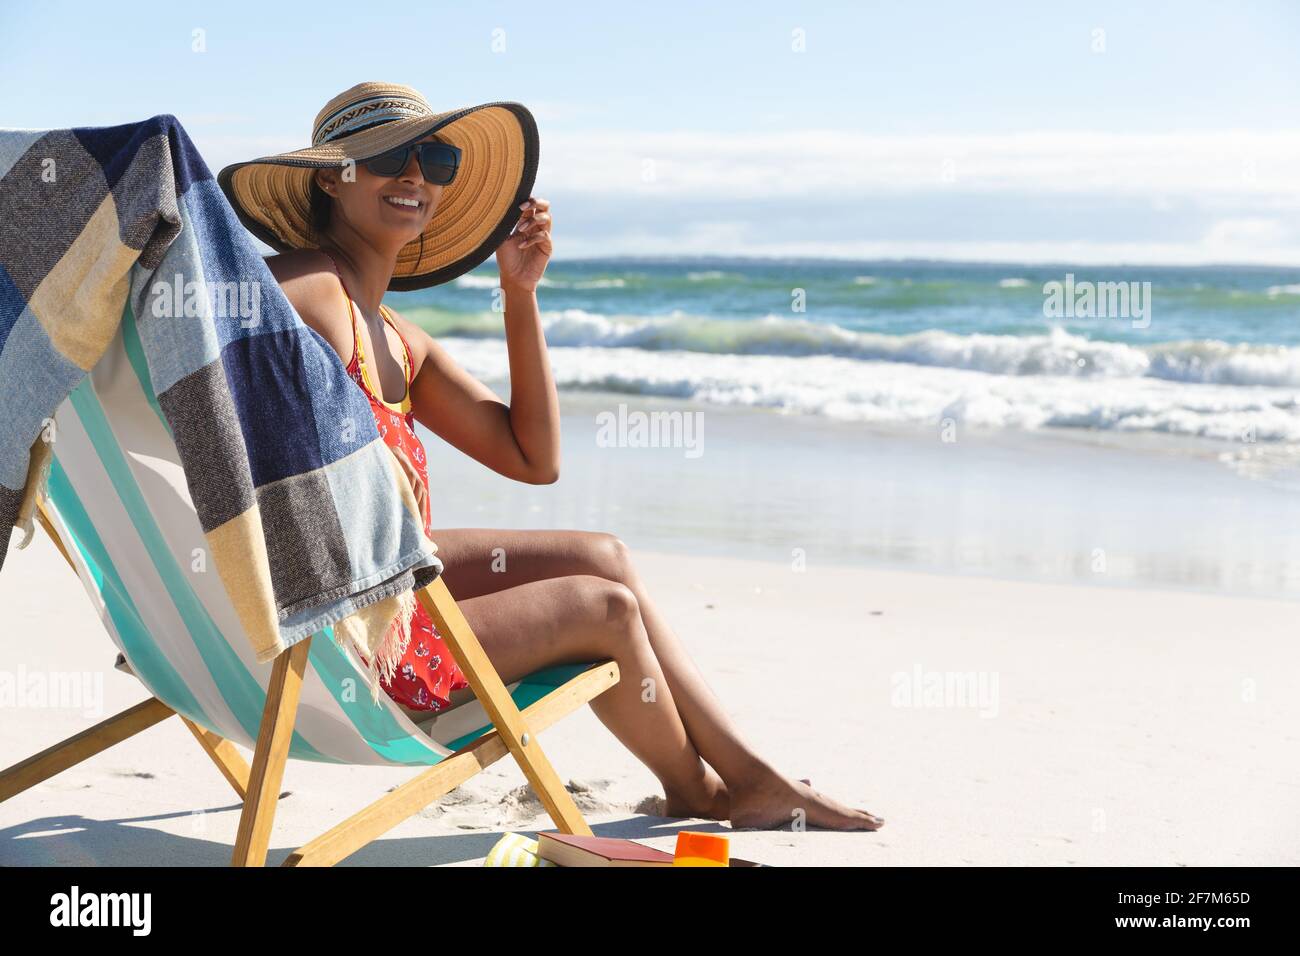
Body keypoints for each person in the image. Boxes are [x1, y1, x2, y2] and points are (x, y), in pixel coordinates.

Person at [219, 82, 882, 830]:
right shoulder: (307, 286)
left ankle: (744, 775)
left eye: (435, 158)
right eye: (386, 158)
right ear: (330, 179)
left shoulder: (399, 337)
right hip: (346, 630)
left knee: (605, 556)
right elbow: (227, 328)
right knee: (606, 609)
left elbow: (533, 458)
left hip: (379, 574)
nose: (415, 176)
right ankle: (705, 791)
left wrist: (520, 292)